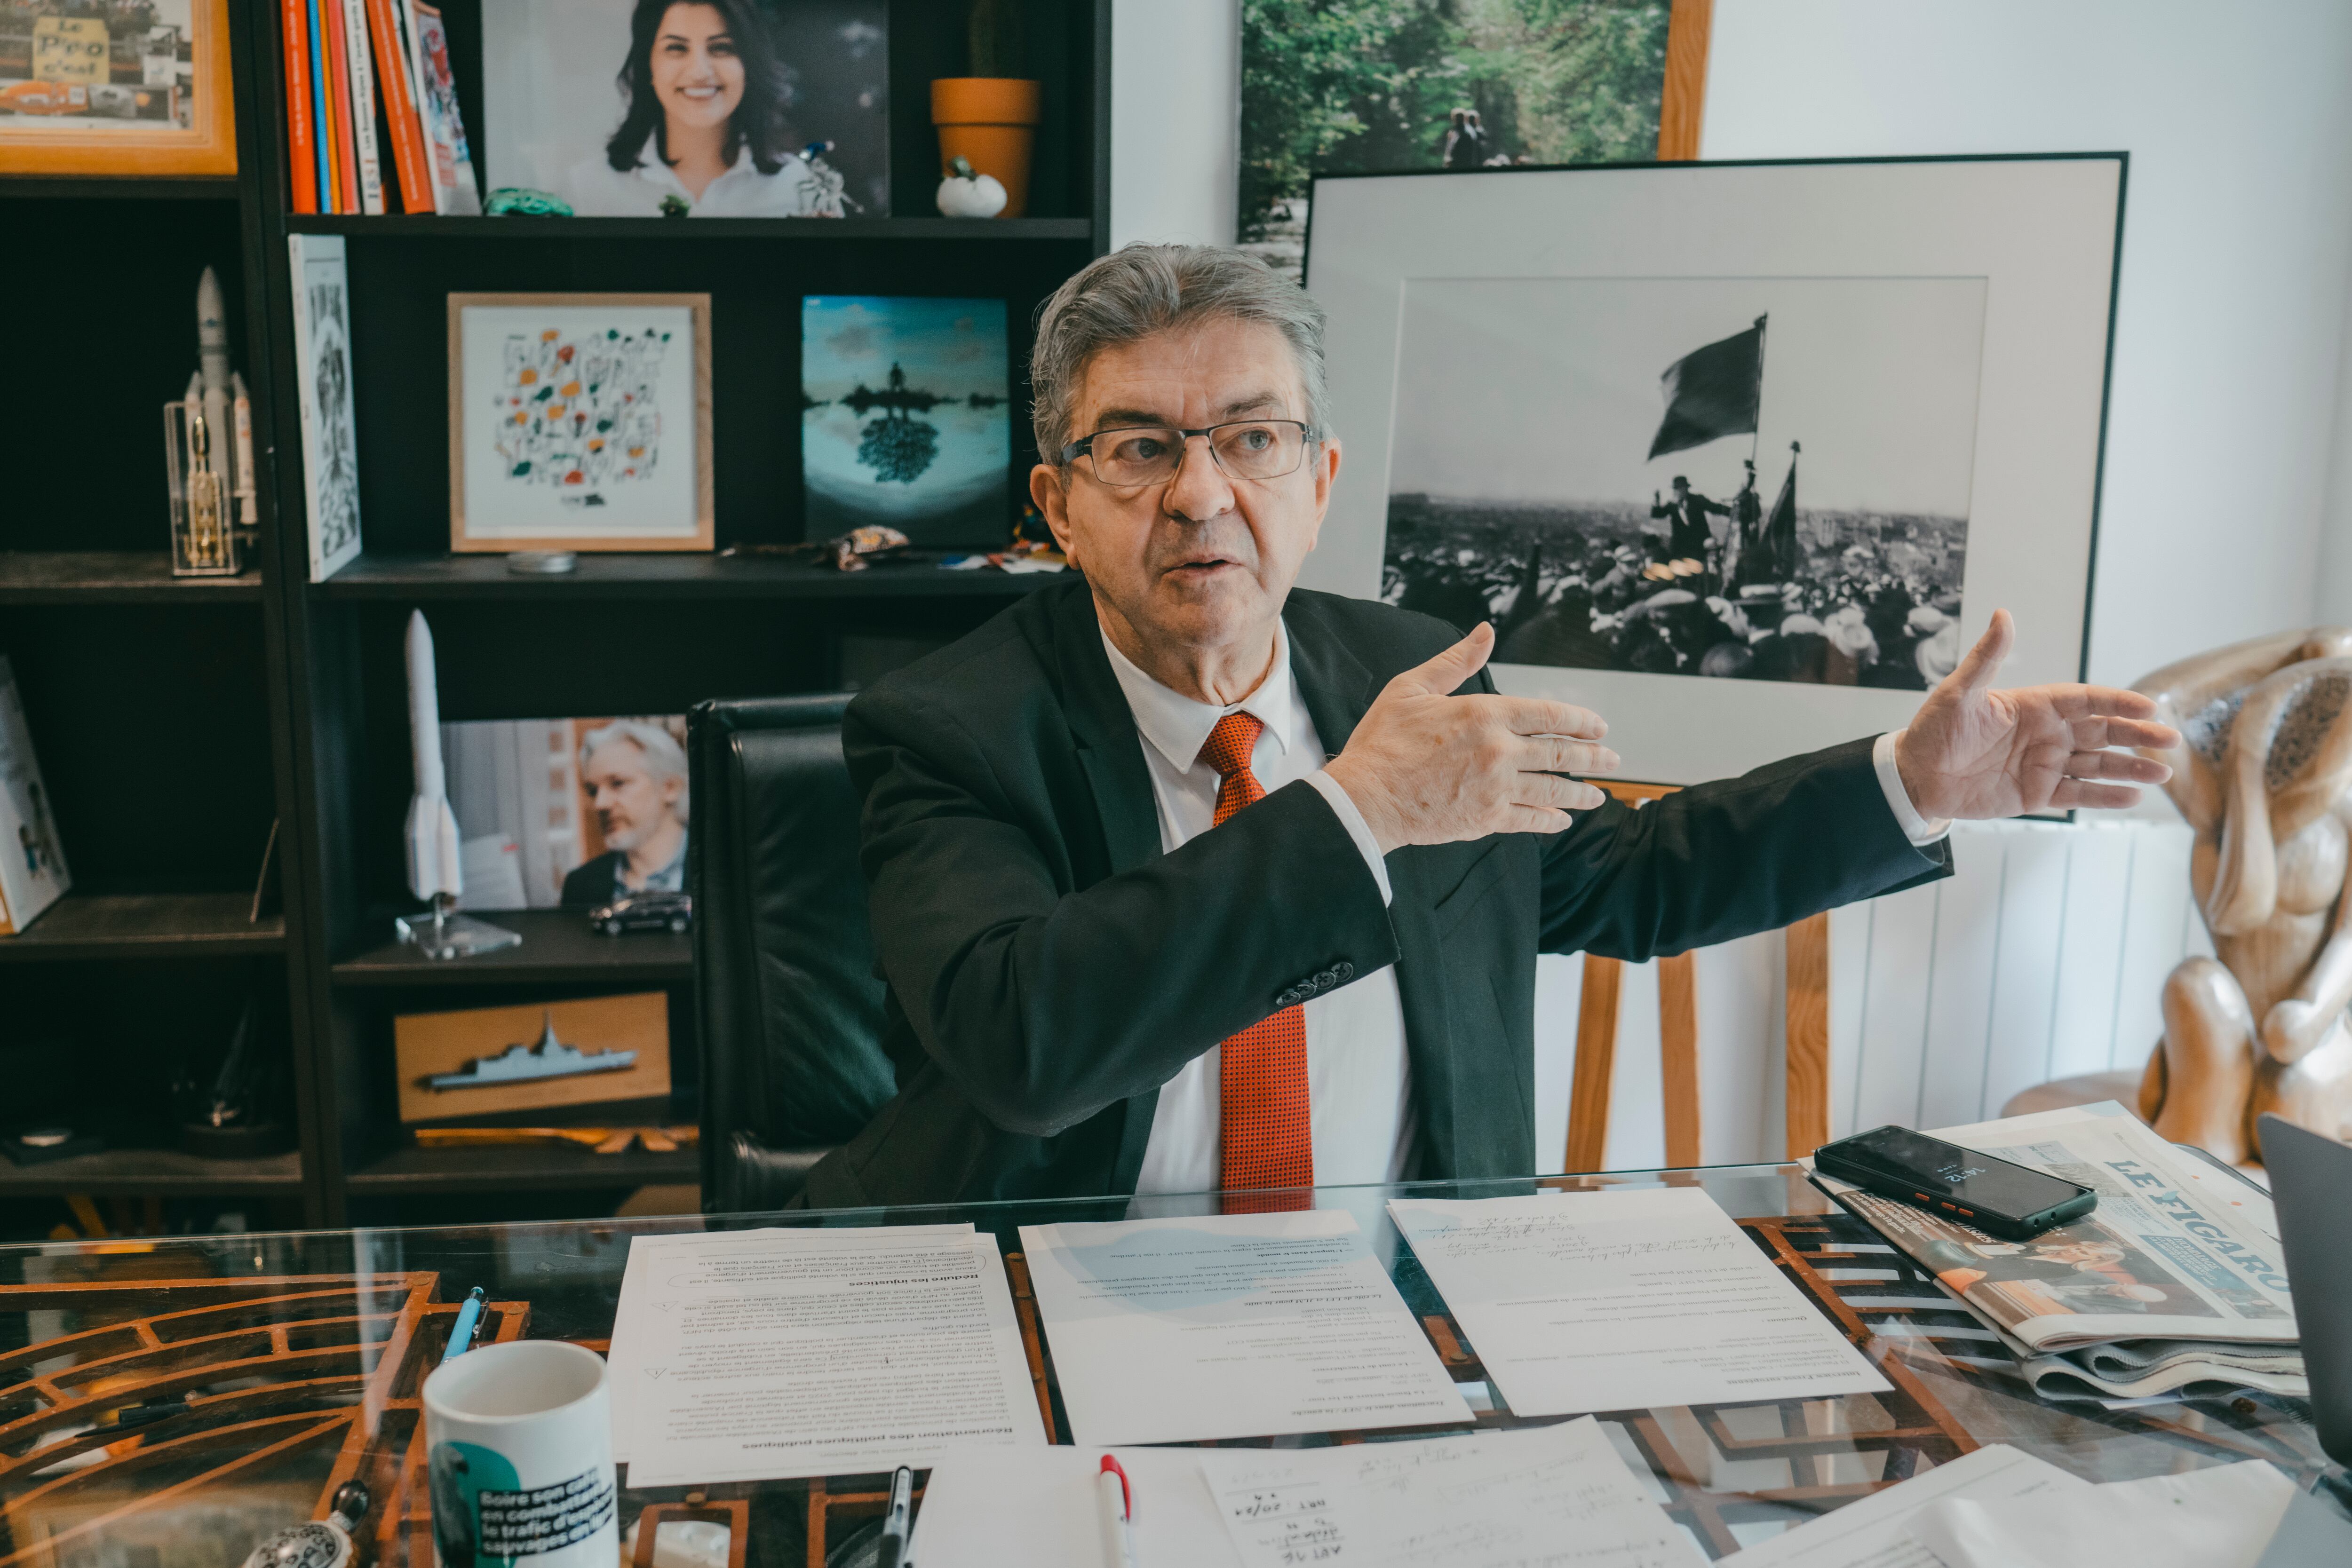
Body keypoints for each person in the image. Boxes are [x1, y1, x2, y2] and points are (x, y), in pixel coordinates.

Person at [800, 244, 2177, 1208]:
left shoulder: (1411, 671)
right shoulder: (947, 726)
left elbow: (1627, 877)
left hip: (1403, 1298)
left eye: (1252, 437)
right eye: (1141, 446)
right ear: (1055, 502)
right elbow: (1020, 1045)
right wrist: (1356, 813)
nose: (1202, 494)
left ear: (1321, 476)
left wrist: (1903, 783)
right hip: (1057, 1298)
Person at [565, 0, 842, 219]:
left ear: (749, 66)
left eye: (721, 48)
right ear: (648, 65)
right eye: (676, 48)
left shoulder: (800, 188)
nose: (699, 72)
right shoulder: (589, 189)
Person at [560, 721, 690, 906]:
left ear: (670, 787)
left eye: (618, 783)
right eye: (593, 791)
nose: (600, 804)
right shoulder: (580, 885)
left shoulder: (724, 871)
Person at [1650, 476, 1727, 567]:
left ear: (1686, 489)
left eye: (1680, 489)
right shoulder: (1672, 505)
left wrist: (1736, 510)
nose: (1677, 492)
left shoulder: (1698, 500)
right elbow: (1657, 514)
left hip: (1700, 547)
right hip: (1681, 550)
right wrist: (1656, 501)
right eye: (1676, 489)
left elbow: (1715, 508)